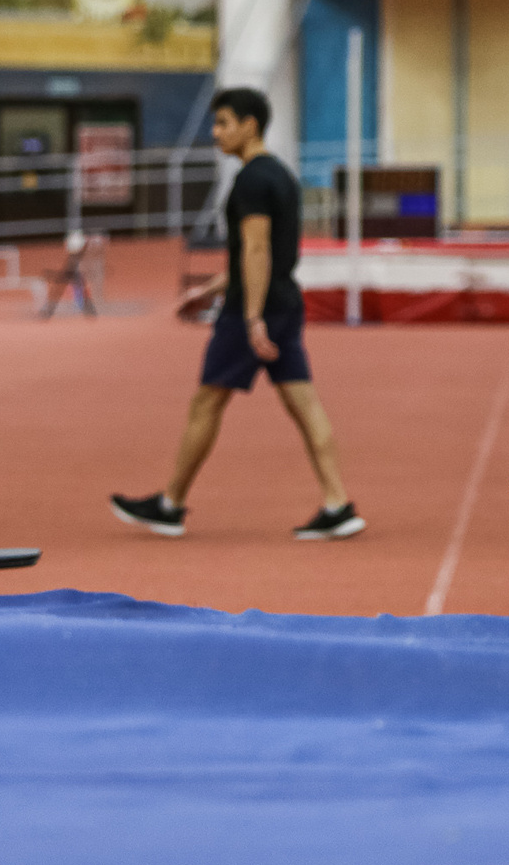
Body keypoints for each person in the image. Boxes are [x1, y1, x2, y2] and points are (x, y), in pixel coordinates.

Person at [111, 88, 364, 542]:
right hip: (285, 302)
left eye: (224, 122)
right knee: (305, 405)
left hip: (254, 312)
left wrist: (250, 317)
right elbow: (263, 252)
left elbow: (257, 248)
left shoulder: (250, 181)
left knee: (207, 400)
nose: (216, 132)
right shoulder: (281, 177)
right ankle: (338, 502)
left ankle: (170, 504)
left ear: (250, 125)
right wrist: (212, 287)